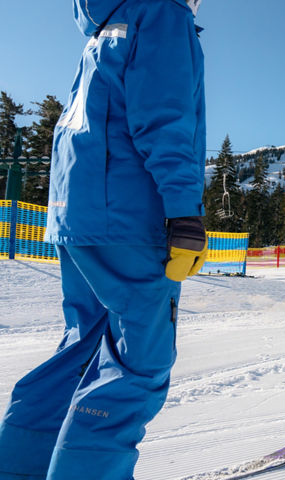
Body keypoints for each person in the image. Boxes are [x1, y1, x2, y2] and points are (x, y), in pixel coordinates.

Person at [0, 1, 207, 479]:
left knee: (83, 349)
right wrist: (183, 211)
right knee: (139, 364)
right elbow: (165, 114)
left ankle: (18, 469)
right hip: (129, 216)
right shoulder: (162, 12)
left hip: (79, 212)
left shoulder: (104, 20)